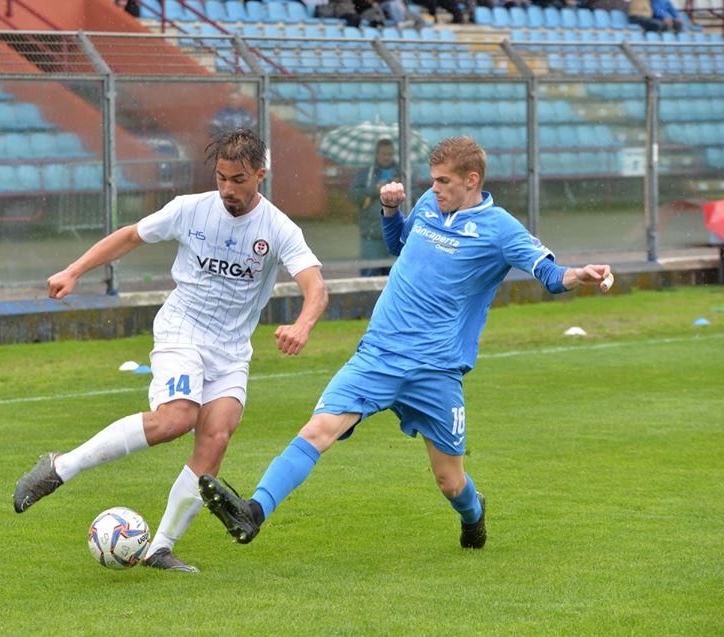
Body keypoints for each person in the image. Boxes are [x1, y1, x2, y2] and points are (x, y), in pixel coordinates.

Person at [198, 135, 614, 551]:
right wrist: (390, 211)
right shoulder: (431, 205)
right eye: (432, 180)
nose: (434, 188)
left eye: (444, 181)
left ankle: (474, 513)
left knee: (450, 481)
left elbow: (549, 274)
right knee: (319, 429)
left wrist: (579, 274)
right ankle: (254, 511)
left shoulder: (501, 229)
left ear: (472, 180)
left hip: (435, 369)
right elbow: (399, 244)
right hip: (379, 353)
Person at [12, 129, 328, 572]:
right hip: (183, 331)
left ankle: (159, 547)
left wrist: (302, 325)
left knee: (216, 437)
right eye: (221, 178)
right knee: (176, 418)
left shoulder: (278, 228)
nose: (227, 189)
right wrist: (74, 270)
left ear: (261, 174)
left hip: (231, 349)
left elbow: (315, 287)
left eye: (238, 180)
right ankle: (61, 466)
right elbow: (130, 236)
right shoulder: (190, 209)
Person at [348, 138, 397, 277]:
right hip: (371, 236)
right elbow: (353, 196)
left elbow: (415, 196)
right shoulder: (366, 174)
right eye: (383, 154)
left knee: (394, 278)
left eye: (390, 154)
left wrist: (400, 189)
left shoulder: (402, 172)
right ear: (376, 154)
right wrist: (374, 190)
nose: (387, 157)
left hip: (395, 235)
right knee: (369, 276)